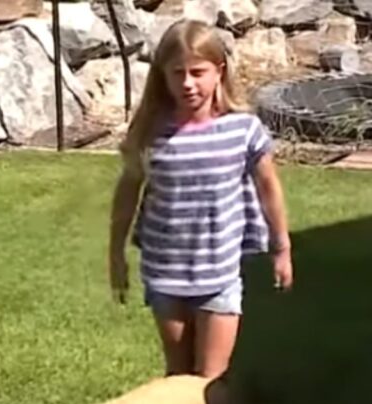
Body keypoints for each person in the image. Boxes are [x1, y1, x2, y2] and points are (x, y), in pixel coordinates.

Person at [109, 19, 294, 378]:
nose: (187, 83)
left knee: (210, 381)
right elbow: (128, 189)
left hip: (219, 273)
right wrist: (115, 252)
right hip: (166, 273)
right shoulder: (151, 129)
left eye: (198, 72)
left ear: (219, 71)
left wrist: (281, 247)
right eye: (177, 73)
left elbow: (268, 186)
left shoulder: (243, 129)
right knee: (177, 380)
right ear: (162, 75)